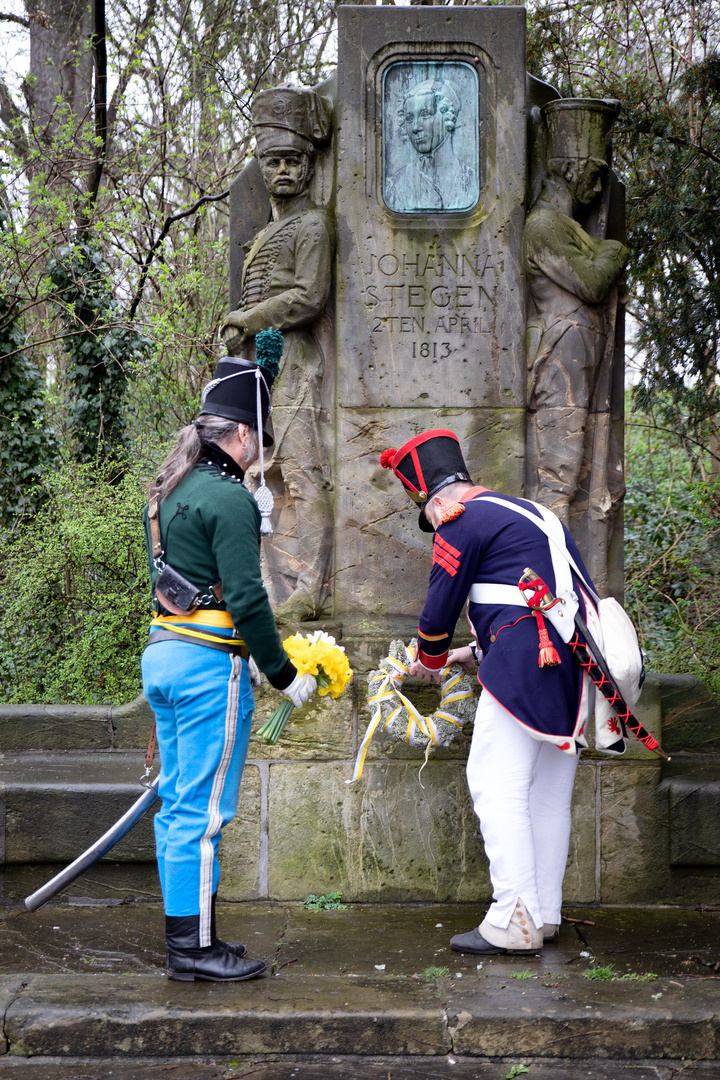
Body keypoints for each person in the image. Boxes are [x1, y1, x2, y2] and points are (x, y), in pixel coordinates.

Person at [380, 429, 622, 954]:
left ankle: (513, 917)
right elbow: (533, 597)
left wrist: (430, 661)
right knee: (547, 794)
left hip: (525, 667)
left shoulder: (462, 519)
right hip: (573, 663)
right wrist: (478, 653)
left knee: (492, 779)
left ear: (437, 501)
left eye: (430, 516)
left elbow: (439, 606)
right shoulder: (532, 513)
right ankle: (543, 913)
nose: (434, 525)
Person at [142, 351, 317, 982]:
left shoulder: (167, 493)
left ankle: (194, 940)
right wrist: (284, 675)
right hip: (208, 668)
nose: (259, 452)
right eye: (259, 439)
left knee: (179, 808)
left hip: (163, 657)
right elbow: (246, 600)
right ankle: (192, 950)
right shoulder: (228, 499)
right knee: (204, 813)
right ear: (244, 435)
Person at [220, 85, 334, 622]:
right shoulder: (267, 231)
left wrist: (248, 318)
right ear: (263, 169)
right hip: (259, 368)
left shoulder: (312, 225)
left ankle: (311, 587)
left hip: (295, 363)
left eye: (294, 161)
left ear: (309, 168)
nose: (284, 171)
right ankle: (272, 586)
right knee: (255, 474)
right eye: (274, 162)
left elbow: (309, 297)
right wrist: (238, 335)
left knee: (304, 474)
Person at [385, 78, 476, 213]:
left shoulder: (472, 181)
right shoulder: (397, 185)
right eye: (409, 118)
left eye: (425, 114)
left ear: (448, 116)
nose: (415, 127)